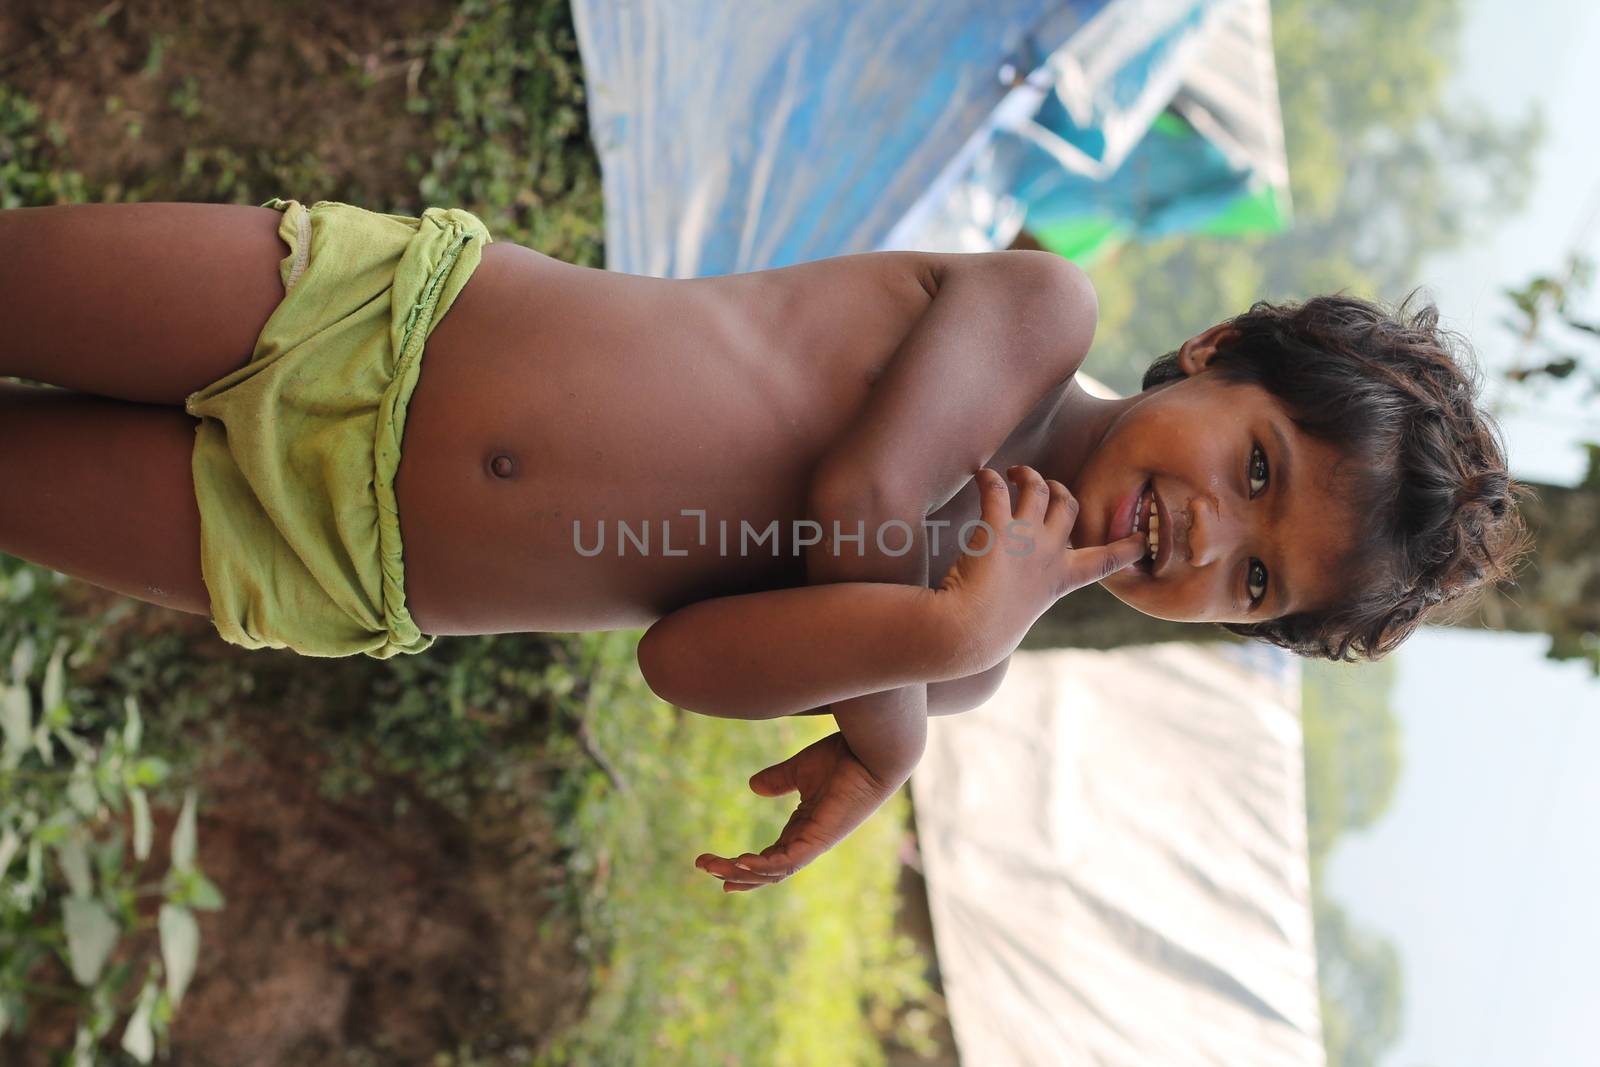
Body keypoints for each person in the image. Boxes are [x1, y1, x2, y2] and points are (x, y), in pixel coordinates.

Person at [0, 199, 1531, 892]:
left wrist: (934, 661)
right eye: (1256, 465)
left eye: (1256, 579)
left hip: (341, 561)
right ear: (1207, 352)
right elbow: (858, 498)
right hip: (372, 323)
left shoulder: (952, 661)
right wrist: (901, 719)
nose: (1212, 533)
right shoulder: (1033, 312)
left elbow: (686, 658)